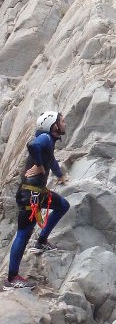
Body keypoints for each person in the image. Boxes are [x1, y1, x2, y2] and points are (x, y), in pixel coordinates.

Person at [4, 111, 70, 290]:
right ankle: (11, 278)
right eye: (61, 121)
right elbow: (32, 145)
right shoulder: (45, 139)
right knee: (23, 233)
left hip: (38, 192)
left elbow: (51, 159)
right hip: (30, 195)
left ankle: (41, 241)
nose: (64, 123)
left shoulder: (49, 141)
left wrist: (60, 175)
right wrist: (40, 166)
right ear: (53, 125)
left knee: (63, 205)